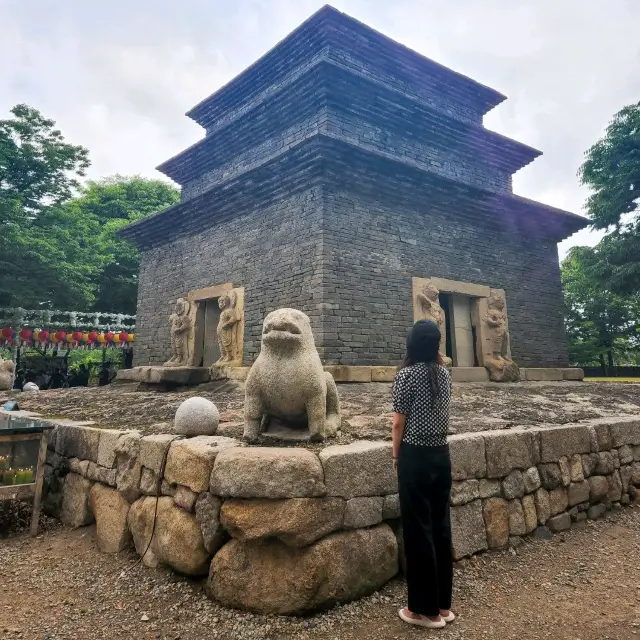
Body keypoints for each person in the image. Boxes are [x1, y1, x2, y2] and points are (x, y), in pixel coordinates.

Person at [392, 320, 454, 629]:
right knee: (441, 526)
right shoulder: (444, 374)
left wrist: (395, 454)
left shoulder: (406, 375)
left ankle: (422, 610)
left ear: (411, 344)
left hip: (415, 457)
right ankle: (443, 606)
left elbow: (397, 423)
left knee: (418, 531)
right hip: (441, 455)